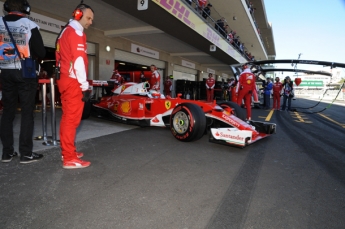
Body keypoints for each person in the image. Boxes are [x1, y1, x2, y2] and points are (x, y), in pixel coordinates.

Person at [0, 0, 46, 163]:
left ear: (7, 8)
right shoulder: (29, 24)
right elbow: (41, 51)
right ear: (26, 9)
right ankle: (26, 153)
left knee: (7, 112)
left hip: (5, 72)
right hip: (25, 72)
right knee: (27, 112)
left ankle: (7, 153)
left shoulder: (0, 22)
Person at [55, 3, 94, 169]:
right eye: (88, 18)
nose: (91, 22)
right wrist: (85, 86)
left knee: (67, 117)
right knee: (72, 120)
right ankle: (69, 158)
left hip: (63, 78)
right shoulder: (76, 32)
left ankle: (68, 151)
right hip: (73, 81)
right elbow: (78, 61)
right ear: (78, 15)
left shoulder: (65, 30)